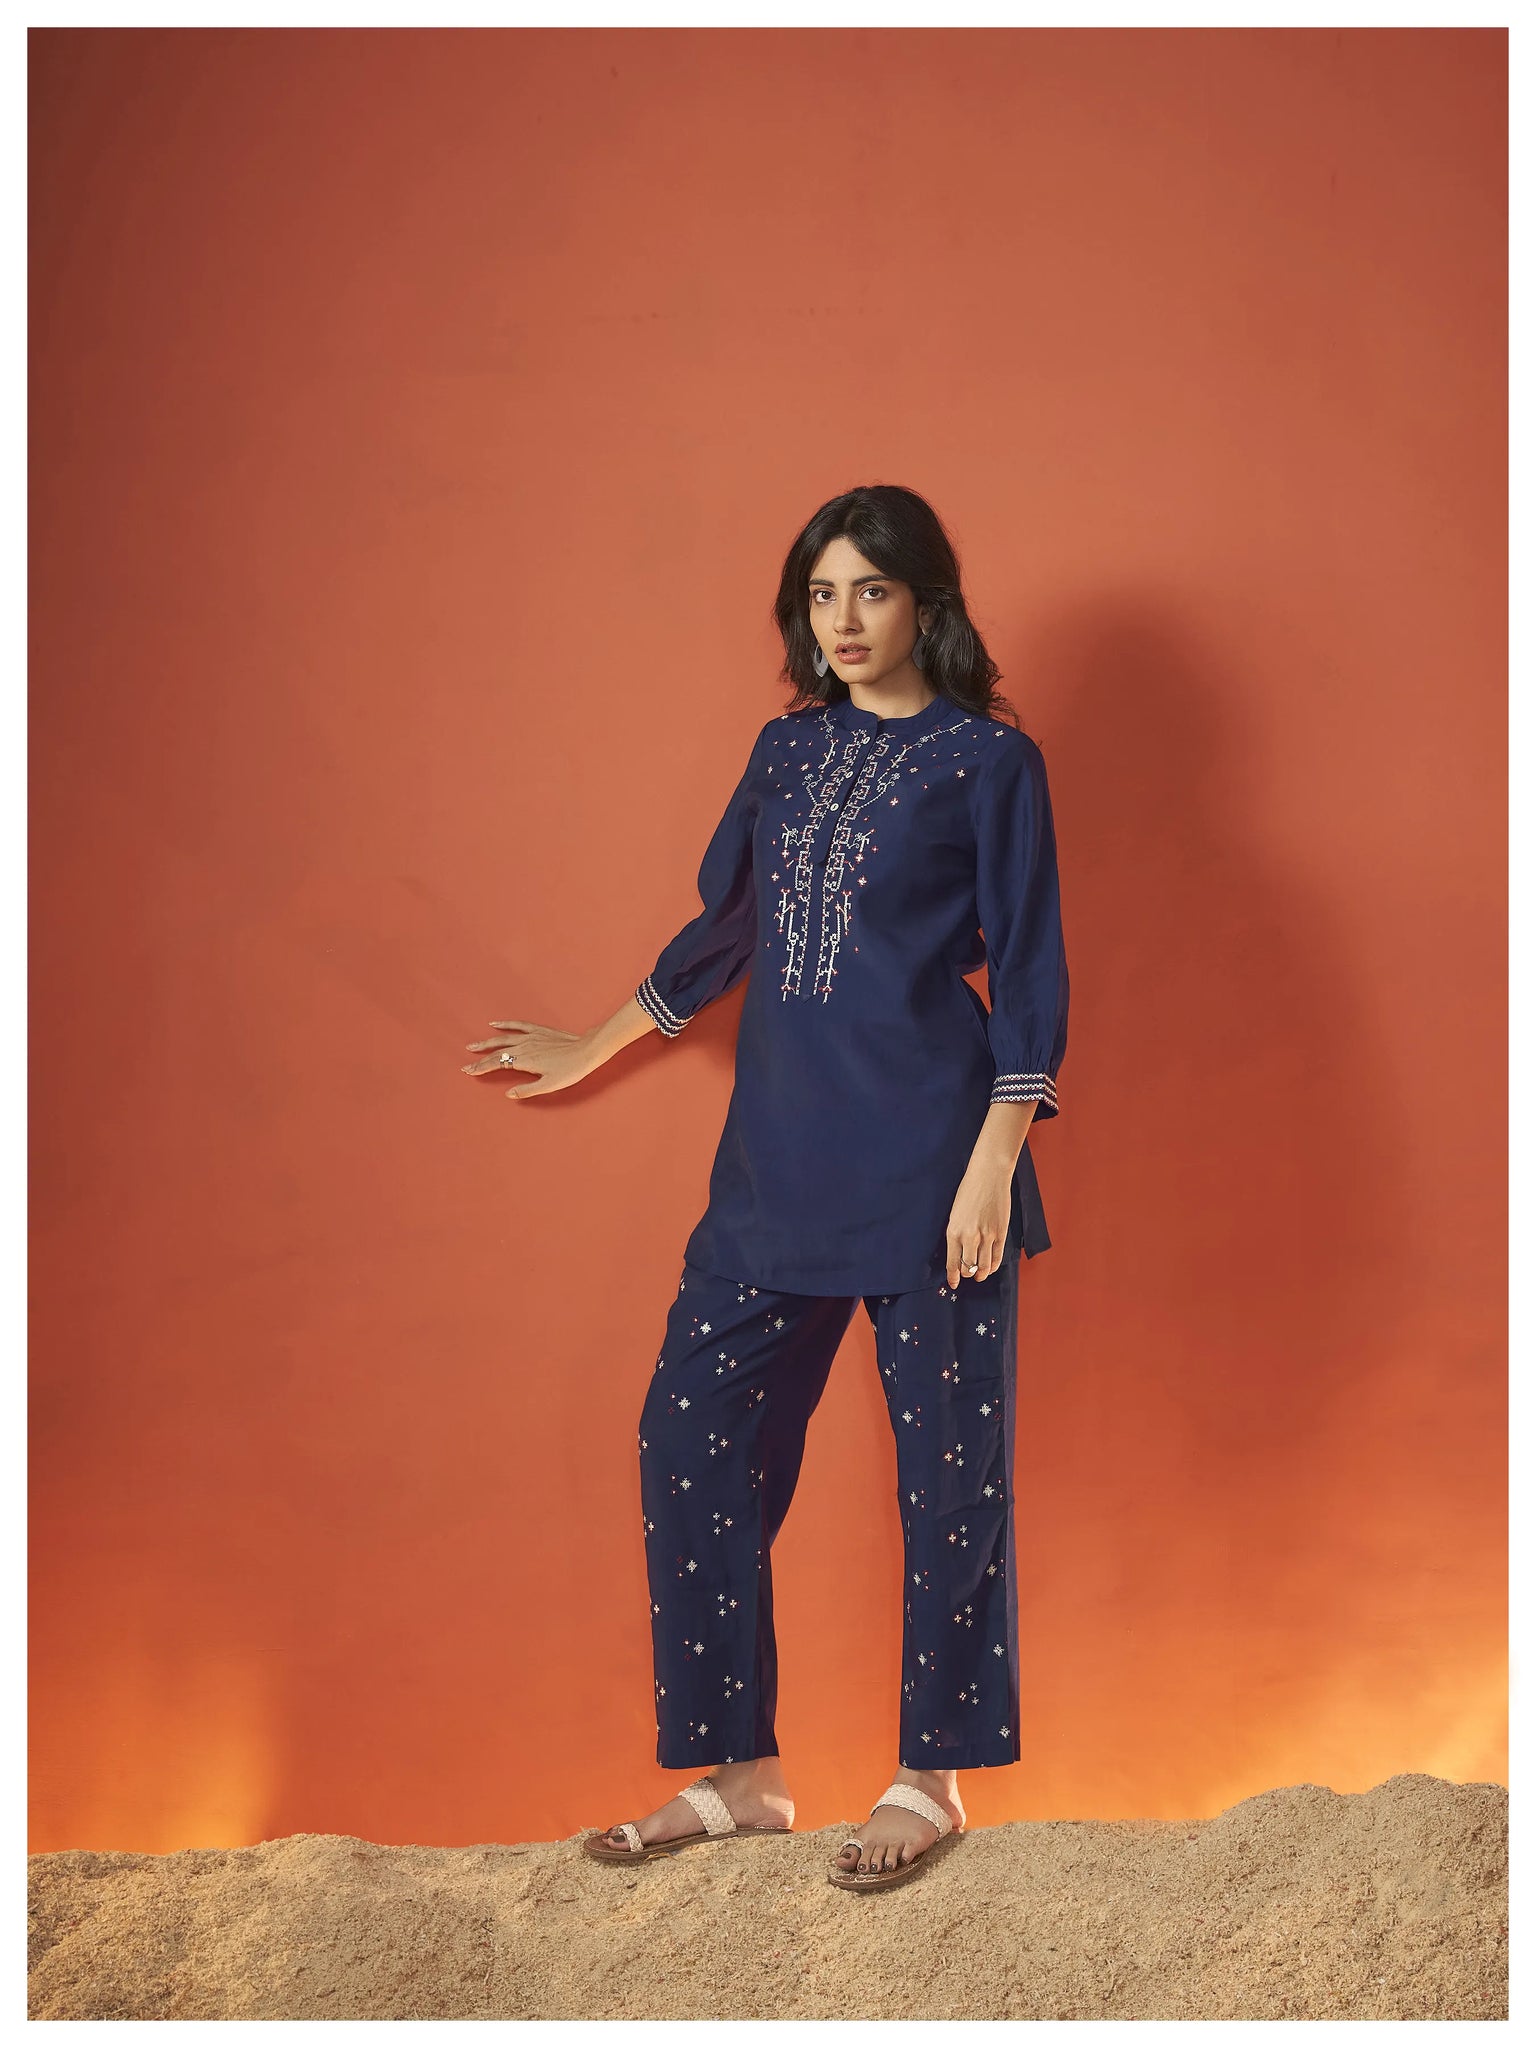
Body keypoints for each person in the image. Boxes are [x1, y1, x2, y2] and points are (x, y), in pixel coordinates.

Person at [462, 484, 1069, 1892]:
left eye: (871, 590)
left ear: (927, 601)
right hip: (777, 1167)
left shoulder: (990, 763)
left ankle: (934, 1776)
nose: (843, 620)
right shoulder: (787, 751)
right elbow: (729, 927)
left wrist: (994, 1162)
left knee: (950, 1477)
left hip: (933, 1166)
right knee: (688, 1438)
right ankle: (740, 1773)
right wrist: (593, 1039)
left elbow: (1032, 968)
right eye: (820, 594)